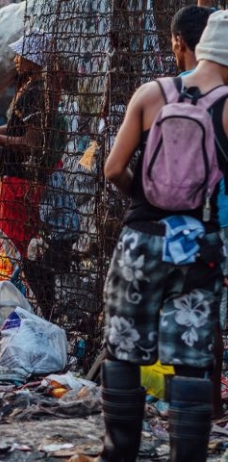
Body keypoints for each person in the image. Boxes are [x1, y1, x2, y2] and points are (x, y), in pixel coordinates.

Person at [94, 11, 228, 462]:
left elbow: (112, 169)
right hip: (198, 246)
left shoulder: (152, 93)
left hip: (140, 240)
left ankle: (119, 454)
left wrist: (146, 201)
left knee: (123, 351)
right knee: (191, 356)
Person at [0, 28, 63, 316]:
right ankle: (28, 303)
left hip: (22, 180)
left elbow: (32, 141)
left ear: (33, 58)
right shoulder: (30, 87)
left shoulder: (35, 92)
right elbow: (17, 128)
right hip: (18, 178)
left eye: (21, 54)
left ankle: (34, 305)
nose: (15, 58)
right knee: (16, 243)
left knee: (17, 245)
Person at [171, 3, 226, 420]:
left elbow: (119, 168)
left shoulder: (163, 93)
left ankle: (206, 410)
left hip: (189, 227)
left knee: (200, 320)